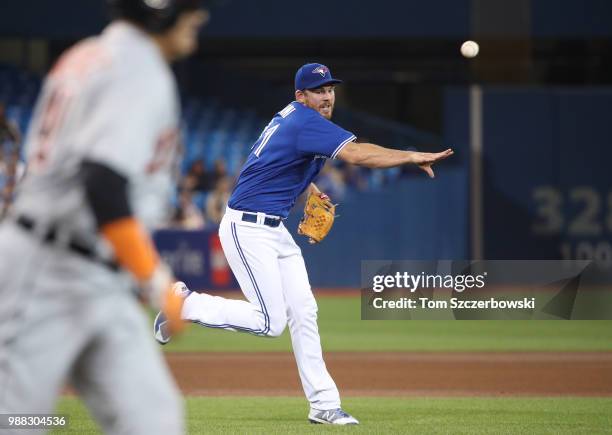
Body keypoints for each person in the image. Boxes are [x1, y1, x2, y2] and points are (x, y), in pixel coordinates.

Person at [154, 62, 453, 425]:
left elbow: (270, 163)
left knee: (305, 312)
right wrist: (410, 156)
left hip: (273, 229)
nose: (327, 96)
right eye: (318, 90)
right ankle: (183, 304)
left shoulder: (294, 119)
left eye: (330, 89)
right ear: (301, 96)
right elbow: (357, 155)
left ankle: (324, 405)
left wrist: (309, 188)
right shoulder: (305, 122)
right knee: (269, 322)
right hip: (247, 228)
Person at [0, 1, 209, 433]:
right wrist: (154, 279)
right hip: (46, 268)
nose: (200, 16)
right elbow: (103, 182)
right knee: (17, 421)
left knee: (153, 420)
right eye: (190, 7)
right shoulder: (139, 71)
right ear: (159, 10)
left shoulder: (91, 53)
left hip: (98, 277)